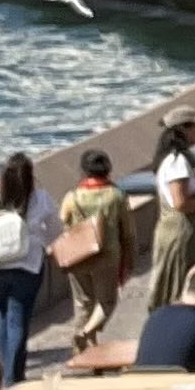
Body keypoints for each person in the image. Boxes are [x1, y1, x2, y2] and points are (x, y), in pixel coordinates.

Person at [0, 152, 58, 384]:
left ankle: (5, 370)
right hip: (28, 267)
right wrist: (42, 242)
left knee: (3, 316)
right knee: (19, 319)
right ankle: (12, 376)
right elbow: (56, 229)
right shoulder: (40, 198)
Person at [56, 150, 129, 356]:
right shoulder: (116, 195)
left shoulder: (72, 197)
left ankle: (84, 352)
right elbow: (128, 232)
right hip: (107, 256)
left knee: (83, 303)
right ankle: (87, 332)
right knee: (107, 302)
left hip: (79, 255)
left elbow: (63, 223)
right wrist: (130, 258)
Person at [147, 110, 195, 309]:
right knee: (178, 283)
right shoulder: (177, 163)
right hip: (180, 231)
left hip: (183, 231)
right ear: (184, 129)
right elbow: (181, 203)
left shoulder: (175, 160)